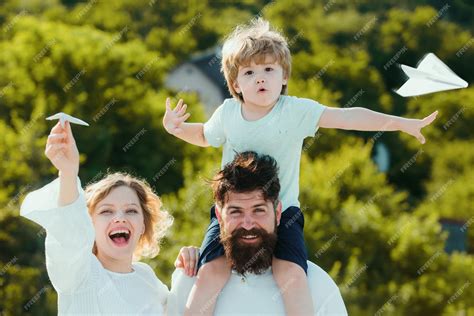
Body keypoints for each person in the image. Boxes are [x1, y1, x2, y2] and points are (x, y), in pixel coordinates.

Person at [162, 18, 438, 316]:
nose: (260, 79)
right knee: (210, 273)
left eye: (269, 70)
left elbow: (347, 117)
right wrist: (177, 129)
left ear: (284, 77)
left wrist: (399, 123)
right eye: (250, 72)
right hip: (234, 212)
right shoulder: (228, 113)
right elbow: (203, 135)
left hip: (284, 211)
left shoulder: (295, 110)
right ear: (235, 84)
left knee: (291, 276)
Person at [20, 120, 178, 314]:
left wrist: (189, 268)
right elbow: (70, 232)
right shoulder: (80, 273)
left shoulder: (148, 279)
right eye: (106, 211)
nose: (120, 218)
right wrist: (68, 172)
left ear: (143, 225)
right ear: (89, 225)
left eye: (131, 210)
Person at [168, 151, 348, 315]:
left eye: (258, 210)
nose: (247, 224)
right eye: (236, 211)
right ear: (218, 217)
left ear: (278, 214)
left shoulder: (316, 284)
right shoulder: (189, 280)